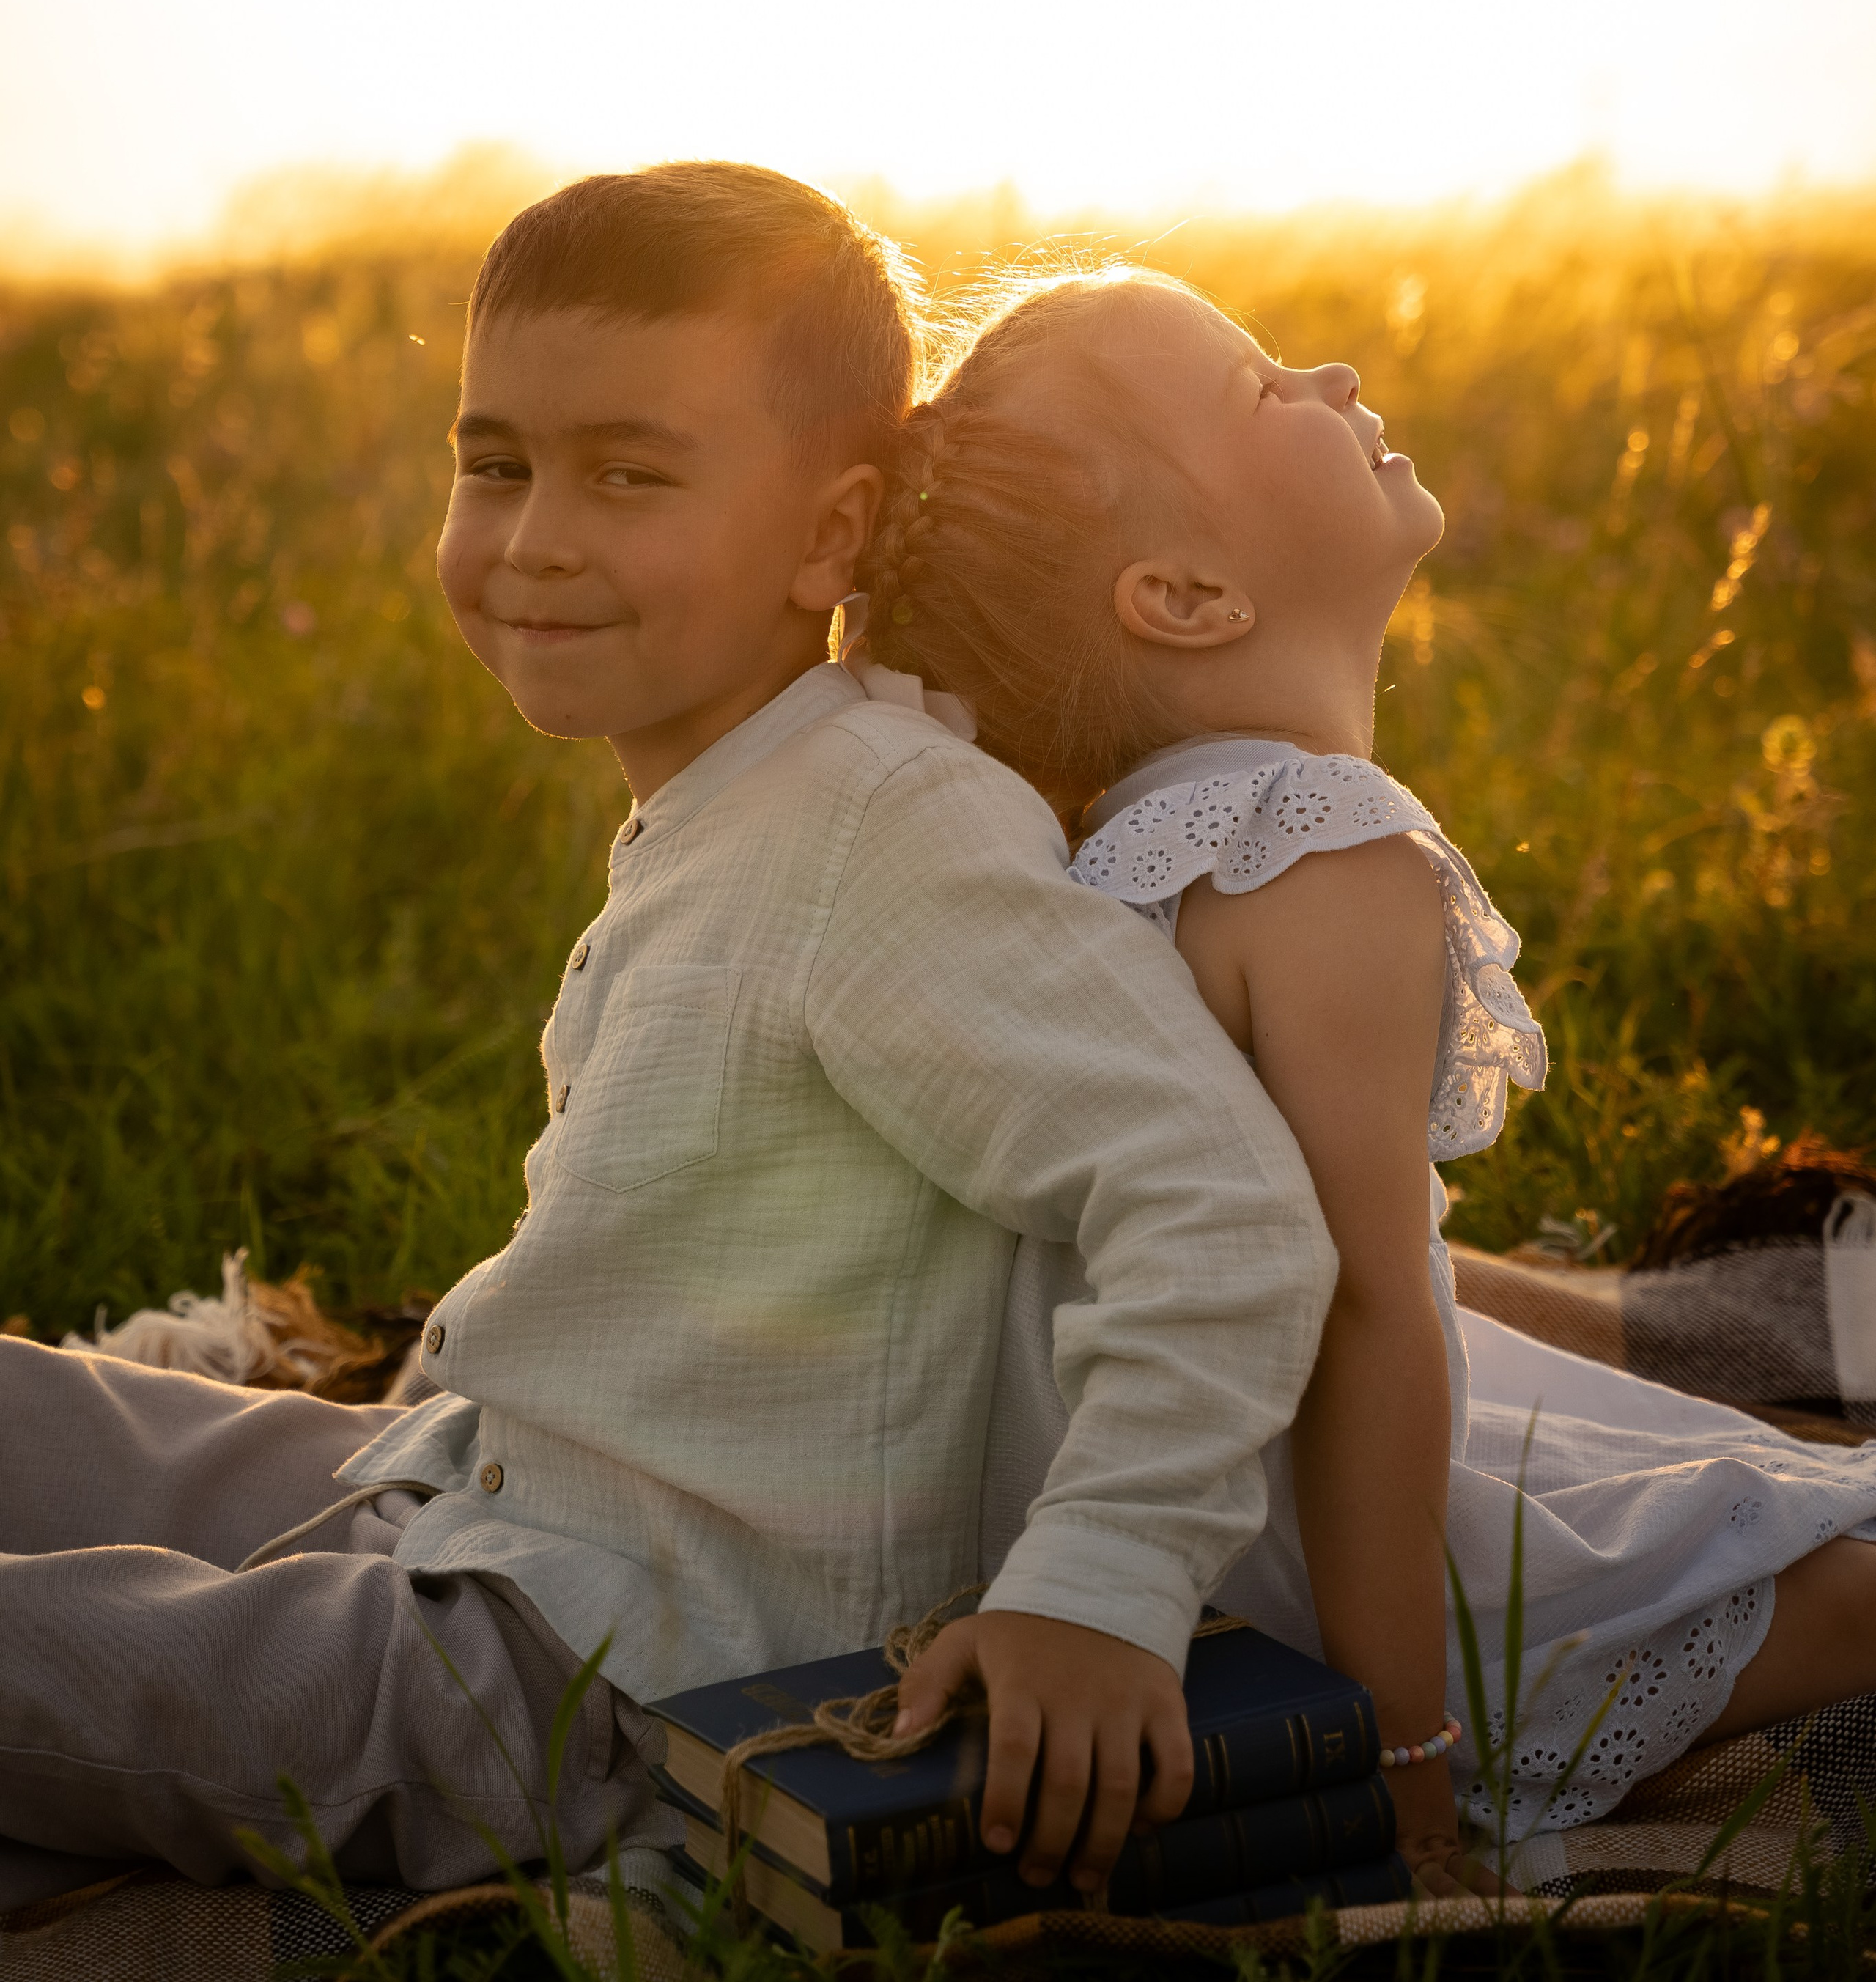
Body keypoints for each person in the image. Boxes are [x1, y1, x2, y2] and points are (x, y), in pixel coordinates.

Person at [0, 169, 1337, 1913]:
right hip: (489, 1489)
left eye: (627, 474)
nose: (537, 534)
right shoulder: (751, 790)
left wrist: (1095, 1586)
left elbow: (1220, 1208)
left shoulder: (885, 830)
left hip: (604, 1679)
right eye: (496, 464)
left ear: (829, 536)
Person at [865, 264, 1876, 1896]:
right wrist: (1400, 1758)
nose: (1330, 375)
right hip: (1284, 1553)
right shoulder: (1317, 853)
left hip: (1123, 1487)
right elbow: (1354, 1320)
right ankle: (1518, 1722)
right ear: (1183, 596)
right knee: (1841, 1573)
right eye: (1261, 386)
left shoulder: (1126, 854)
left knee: (1716, 1480)